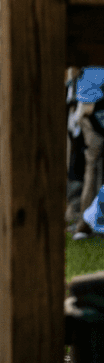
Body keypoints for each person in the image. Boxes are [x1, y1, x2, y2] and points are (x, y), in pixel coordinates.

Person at [70, 66, 104, 237]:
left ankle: (88, 222)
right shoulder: (92, 68)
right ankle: (85, 223)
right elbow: (87, 107)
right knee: (92, 169)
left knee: (93, 170)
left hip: (92, 119)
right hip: (94, 122)